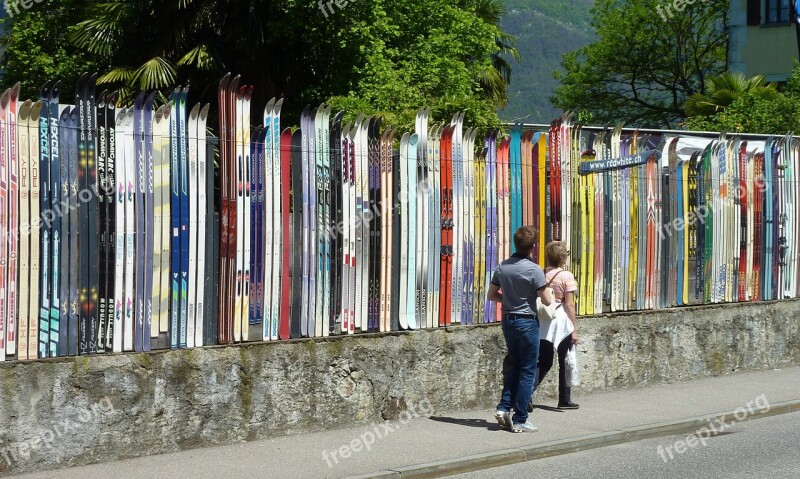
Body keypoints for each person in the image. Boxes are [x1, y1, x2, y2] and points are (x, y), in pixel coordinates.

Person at [486, 225, 552, 433]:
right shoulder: (534, 270)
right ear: (533, 247)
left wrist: (508, 299)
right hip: (527, 321)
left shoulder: (502, 267)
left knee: (515, 364)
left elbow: (491, 295)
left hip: (508, 320)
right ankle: (521, 417)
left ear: (516, 243)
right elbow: (548, 301)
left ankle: (504, 407)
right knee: (527, 370)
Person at [535, 241, 580, 410]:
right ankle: (565, 399)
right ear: (562, 258)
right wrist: (574, 329)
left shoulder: (541, 273)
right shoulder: (567, 276)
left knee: (543, 360)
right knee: (565, 360)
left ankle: (526, 393)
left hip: (544, 320)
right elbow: (569, 305)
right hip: (561, 321)